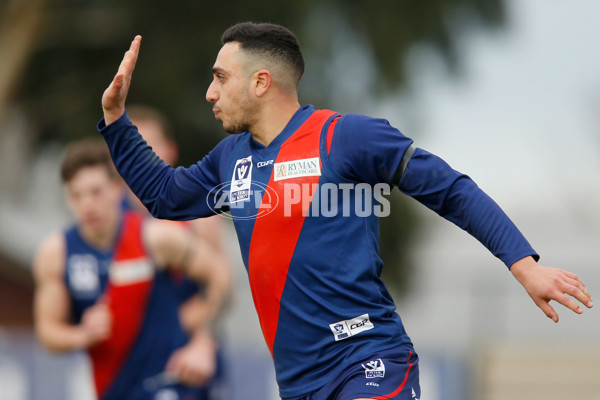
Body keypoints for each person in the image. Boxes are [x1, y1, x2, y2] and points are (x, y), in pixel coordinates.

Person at [97, 23, 593, 400]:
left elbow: (451, 189)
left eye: (221, 78)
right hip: (297, 382)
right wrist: (117, 121)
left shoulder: (346, 137)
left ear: (262, 82)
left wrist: (524, 266)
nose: (210, 92)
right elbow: (165, 196)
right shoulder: (231, 159)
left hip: (368, 360)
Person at [33, 139, 229, 400]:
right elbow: (48, 332)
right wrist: (82, 335)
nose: (87, 204)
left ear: (117, 189)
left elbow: (220, 276)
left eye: (95, 192)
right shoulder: (56, 253)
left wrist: (203, 344)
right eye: (76, 195)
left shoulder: (156, 238)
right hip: (113, 390)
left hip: (169, 382)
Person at [123, 104, 232, 399]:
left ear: (170, 150)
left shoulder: (200, 217)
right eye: (131, 150)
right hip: (126, 365)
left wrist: (202, 340)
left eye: (147, 147)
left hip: (183, 363)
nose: (138, 159)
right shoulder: (107, 217)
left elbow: (222, 286)